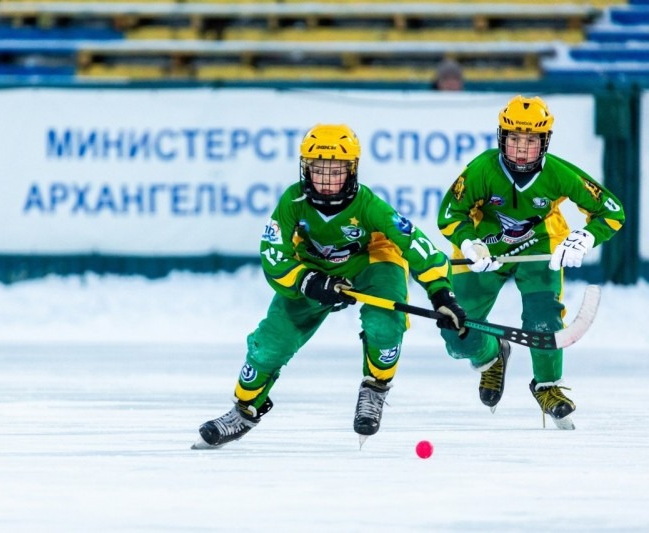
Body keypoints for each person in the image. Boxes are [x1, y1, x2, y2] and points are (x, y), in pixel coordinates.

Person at [193, 123, 468, 450]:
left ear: (352, 171)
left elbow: (414, 243)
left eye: (335, 171)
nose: (326, 180)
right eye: (318, 170)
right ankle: (244, 409)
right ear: (305, 169)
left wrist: (441, 292)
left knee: (385, 326)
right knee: (269, 344)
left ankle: (375, 389)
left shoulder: (370, 206)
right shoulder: (292, 202)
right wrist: (308, 281)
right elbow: (273, 254)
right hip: (313, 270)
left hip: (373, 262)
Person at [437, 95, 625, 430]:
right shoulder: (482, 169)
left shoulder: (557, 173)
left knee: (543, 318)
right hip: (485, 251)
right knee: (457, 334)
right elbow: (450, 213)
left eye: (531, 140)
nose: (522, 149)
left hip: (538, 249)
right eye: (514, 139)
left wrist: (586, 237)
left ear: (545, 142)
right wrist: (469, 242)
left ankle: (548, 386)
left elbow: (611, 210)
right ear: (501, 138)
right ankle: (491, 355)